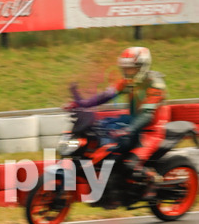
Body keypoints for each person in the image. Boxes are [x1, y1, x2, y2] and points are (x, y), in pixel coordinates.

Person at [69, 46, 169, 198]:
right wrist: (82, 103)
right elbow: (106, 95)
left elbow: (147, 115)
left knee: (129, 164)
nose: (127, 72)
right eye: (125, 68)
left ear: (142, 67)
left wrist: (129, 129)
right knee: (99, 133)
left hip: (151, 131)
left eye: (131, 68)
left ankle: (153, 179)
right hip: (132, 123)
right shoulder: (128, 82)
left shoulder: (155, 85)